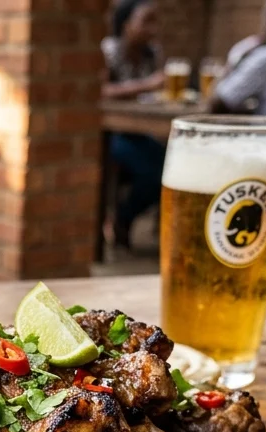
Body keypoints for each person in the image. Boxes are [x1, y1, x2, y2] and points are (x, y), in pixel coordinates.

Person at [101, 0, 166, 247]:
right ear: (127, 24)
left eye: (155, 21)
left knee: (171, 167)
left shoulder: (151, 52)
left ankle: (123, 218)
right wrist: (147, 85)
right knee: (155, 173)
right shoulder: (110, 50)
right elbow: (101, 90)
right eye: (146, 20)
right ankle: (121, 219)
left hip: (141, 131)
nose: (153, 28)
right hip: (113, 132)